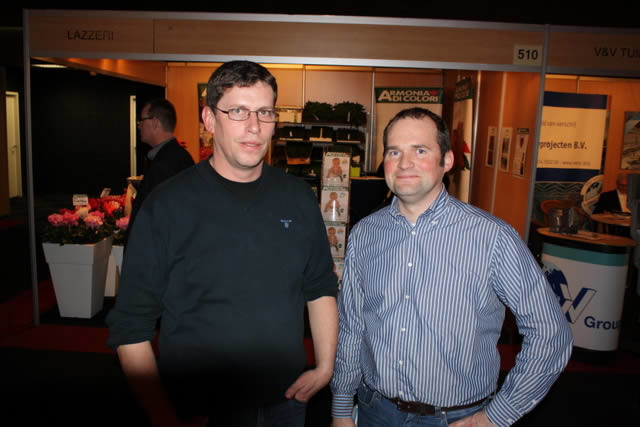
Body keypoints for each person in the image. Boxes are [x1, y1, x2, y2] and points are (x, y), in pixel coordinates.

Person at [107, 61, 338, 426]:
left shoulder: (297, 198)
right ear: (209, 119)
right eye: (238, 111)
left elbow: (320, 286)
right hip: (199, 409)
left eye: (265, 112)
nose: (254, 126)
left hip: (285, 403)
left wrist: (325, 366)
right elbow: (130, 326)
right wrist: (163, 417)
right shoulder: (167, 206)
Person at [331, 107, 572, 427]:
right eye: (394, 151)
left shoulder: (492, 238)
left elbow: (549, 333)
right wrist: (341, 407)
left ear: (446, 160)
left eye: (420, 150)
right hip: (376, 410)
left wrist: (496, 416)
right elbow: (352, 326)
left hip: (457, 418)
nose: (404, 163)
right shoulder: (365, 234)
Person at [128, 98, 194, 233]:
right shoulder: (179, 156)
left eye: (142, 121)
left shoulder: (165, 163)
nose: (139, 126)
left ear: (155, 123)